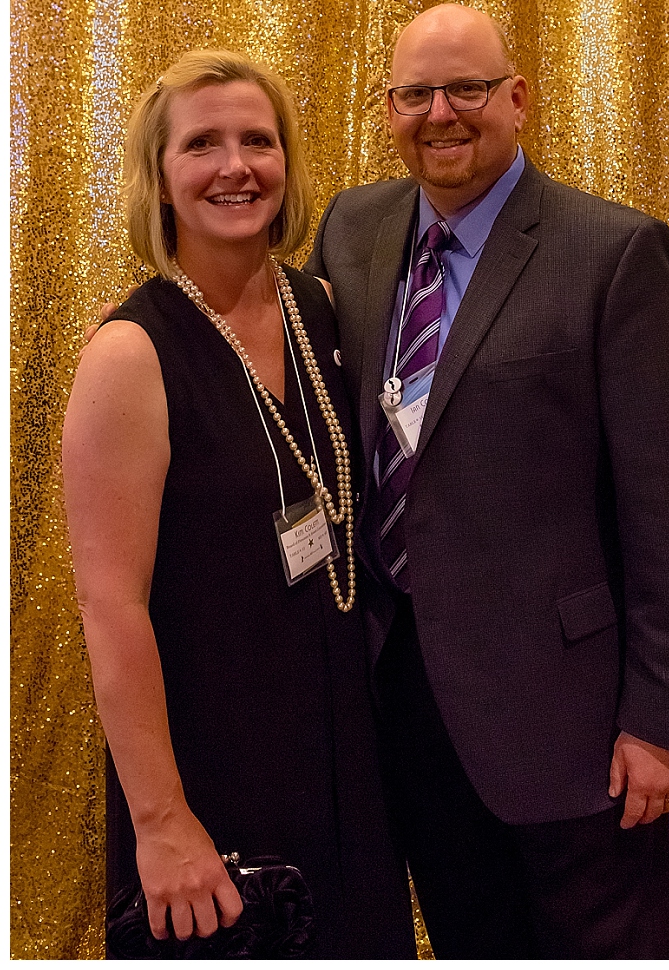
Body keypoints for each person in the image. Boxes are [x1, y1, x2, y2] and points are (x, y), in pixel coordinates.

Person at [304, 3, 669, 958]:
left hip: (573, 722)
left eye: (468, 89)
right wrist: (162, 320)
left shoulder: (613, 253)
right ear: (389, 109)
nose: (441, 114)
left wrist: (664, 722)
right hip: (403, 701)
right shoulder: (353, 227)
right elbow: (283, 342)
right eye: (416, 94)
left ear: (518, 99)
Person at [62, 49, 416, 959]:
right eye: (202, 144)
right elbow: (110, 605)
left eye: (258, 140)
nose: (236, 167)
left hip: (346, 762)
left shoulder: (323, 309)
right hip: (209, 777)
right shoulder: (129, 356)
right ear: (159, 177)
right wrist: (161, 820)